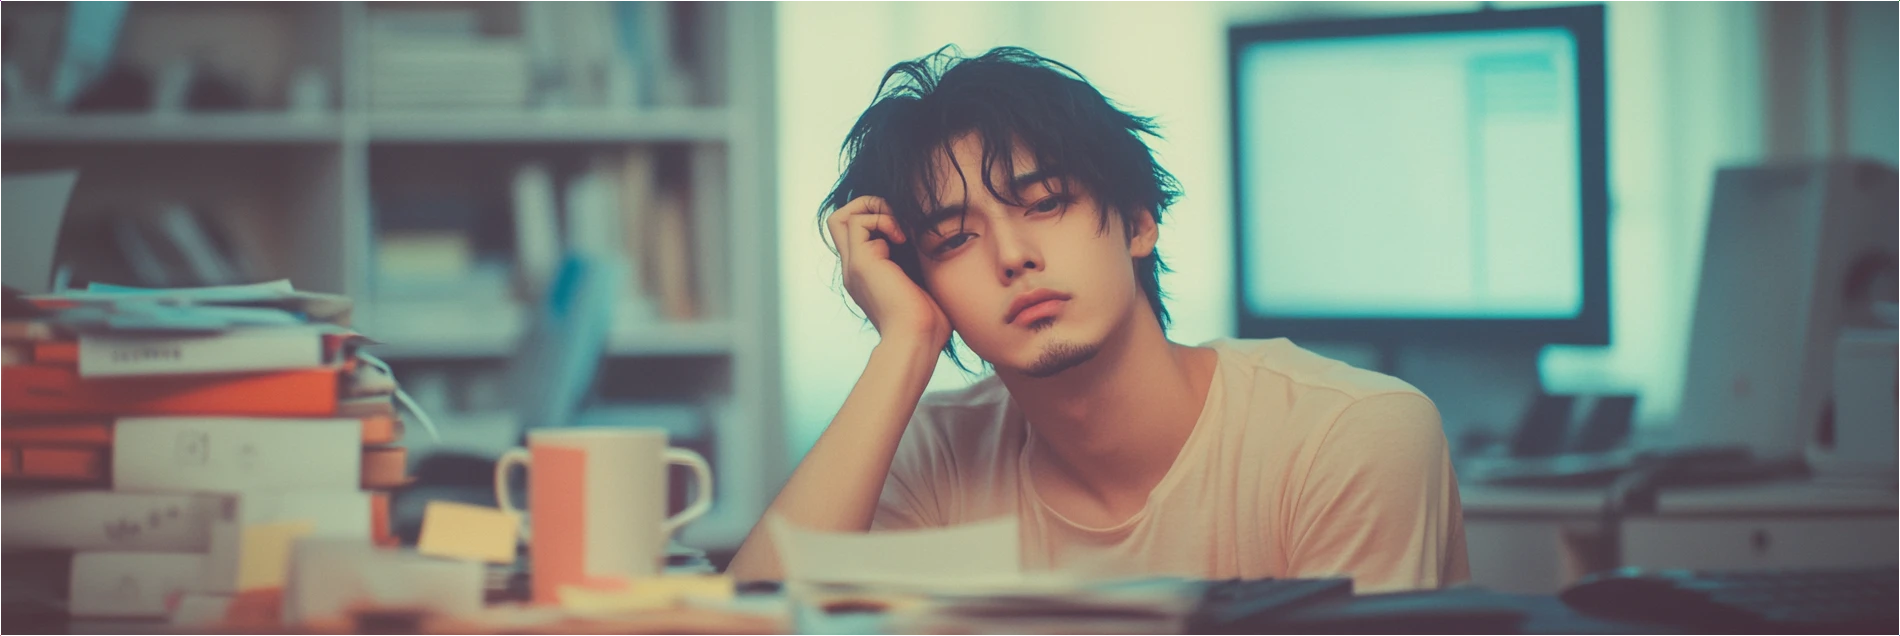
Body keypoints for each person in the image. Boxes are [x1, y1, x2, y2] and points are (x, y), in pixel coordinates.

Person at [726, 46, 1468, 593]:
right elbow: (745, 621)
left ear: (1139, 222)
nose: (1013, 256)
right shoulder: (933, 458)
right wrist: (904, 346)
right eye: (954, 240)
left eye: (1045, 202)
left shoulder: (1350, 435)